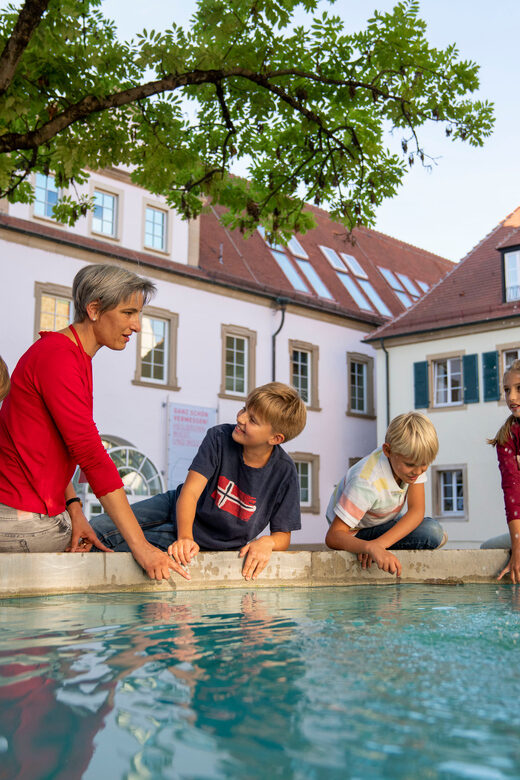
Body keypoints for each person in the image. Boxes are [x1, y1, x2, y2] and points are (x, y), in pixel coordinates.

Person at [0, 263, 187, 582]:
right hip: (24, 519)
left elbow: (56, 448)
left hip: (43, 511)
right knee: (140, 550)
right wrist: (140, 547)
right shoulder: (58, 358)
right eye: (129, 312)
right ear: (95, 309)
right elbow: (91, 455)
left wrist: (74, 507)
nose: (137, 326)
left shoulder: (71, 354)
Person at [91, 382, 307, 580]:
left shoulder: (284, 472)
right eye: (244, 410)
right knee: (98, 529)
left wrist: (267, 542)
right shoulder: (219, 438)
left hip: (209, 542)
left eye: (252, 420)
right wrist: (185, 537)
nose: (240, 418)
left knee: (123, 550)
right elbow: (191, 493)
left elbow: (282, 535)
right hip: (177, 509)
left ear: (275, 438)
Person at [325, 411, 446, 576]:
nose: (417, 472)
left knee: (433, 531)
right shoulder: (366, 481)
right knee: (432, 532)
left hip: (383, 522)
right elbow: (333, 536)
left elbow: (416, 511)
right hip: (356, 533)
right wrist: (369, 547)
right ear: (388, 451)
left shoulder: (413, 462)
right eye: (411, 465)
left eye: (424, 465)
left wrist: (379, 545)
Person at [481, 359, 520, 582]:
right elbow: (512, 493)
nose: (512, 398)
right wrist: (518, 546)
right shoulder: (507, 436)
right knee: (487, 549)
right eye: (507, 390)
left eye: (519, 388)